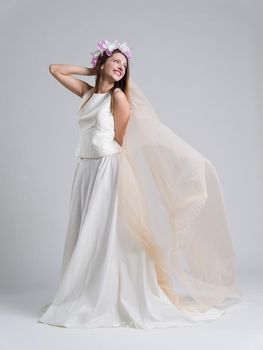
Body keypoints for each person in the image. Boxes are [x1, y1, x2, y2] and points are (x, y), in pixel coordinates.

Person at [38, 39, 243, 329]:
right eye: (116, 61)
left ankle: (112, 295)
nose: (121, 67)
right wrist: (91, 70)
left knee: (106, 234)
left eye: (125, 64)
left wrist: (110, 167)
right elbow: (55, 70)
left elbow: (122, 138)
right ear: (103, 63)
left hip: (107, 168)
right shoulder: (87, 93)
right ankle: (86, 290)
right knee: (87, 231)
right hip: (85, 168)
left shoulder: (118, 99)